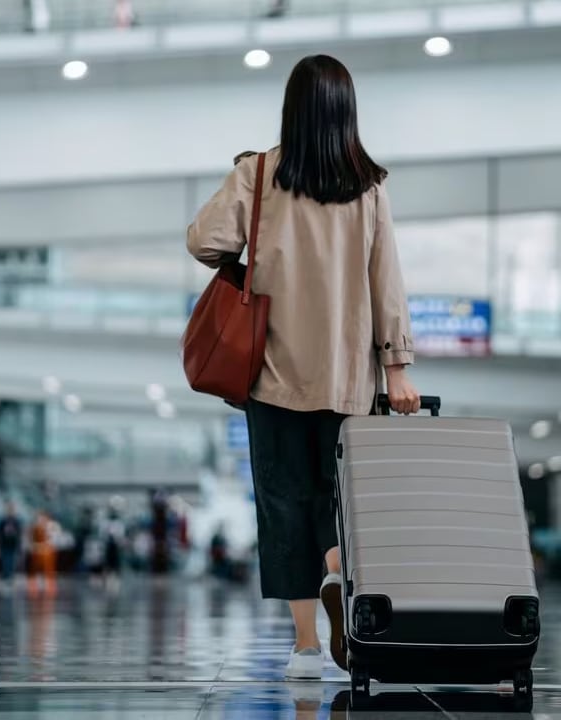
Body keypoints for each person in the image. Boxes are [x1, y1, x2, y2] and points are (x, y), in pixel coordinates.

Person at [186, 54, 419, 680]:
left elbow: (202, 240)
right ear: (347, 111)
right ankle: (337, 574)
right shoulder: (369, 187)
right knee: (338, 506)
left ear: (290, 108)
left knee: (284, 505)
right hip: (349, 379)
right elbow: (386, 280)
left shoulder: (259, 174)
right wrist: (396, 368)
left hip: (273, 374)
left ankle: (307, 649)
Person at [29, 510, 57, 597]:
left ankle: (48, 585)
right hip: (38, 550)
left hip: (48, 551)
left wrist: (47, 545)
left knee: (48, 568)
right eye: (40, 518)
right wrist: (36, 546)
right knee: (35, 567)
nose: (41, 519)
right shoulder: (35, 527)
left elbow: (54, 538)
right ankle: (36, 585)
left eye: (43, 517)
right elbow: (32, 539)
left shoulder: (52, 526)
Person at [0, 501, 23, 589]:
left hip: (13, 545)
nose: (10, 511)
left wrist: (19, 546)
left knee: (11, 562)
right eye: (8, 509)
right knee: (5, 562)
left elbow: (19, 534)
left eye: (11, 509)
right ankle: (5, 578)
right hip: (4, 544)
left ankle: (9, 579)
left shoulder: (16, 521)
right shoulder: (2, 521)